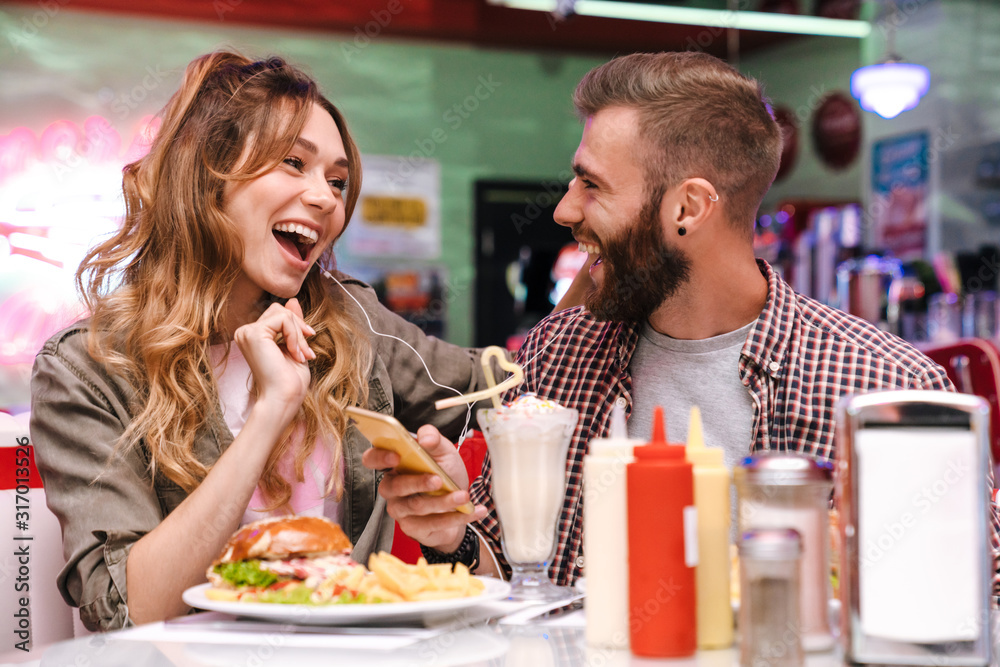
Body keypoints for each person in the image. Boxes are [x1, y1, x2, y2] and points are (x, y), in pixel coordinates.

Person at [366, 51, 998, 593]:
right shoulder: (561, 352)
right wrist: (453, 533)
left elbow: (970, 602)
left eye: (591, 185)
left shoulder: (882, 386)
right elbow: (508, 580)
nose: (563, 209)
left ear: (688, 209)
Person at [29, 52, 491, 631]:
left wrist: (608, 267)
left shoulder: (348, 321)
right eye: (294, 163)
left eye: (338, 180)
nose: (326, 198)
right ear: (207, 176)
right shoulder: (88, 367)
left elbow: (505, 389)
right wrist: (271, 412)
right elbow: (124, 610)